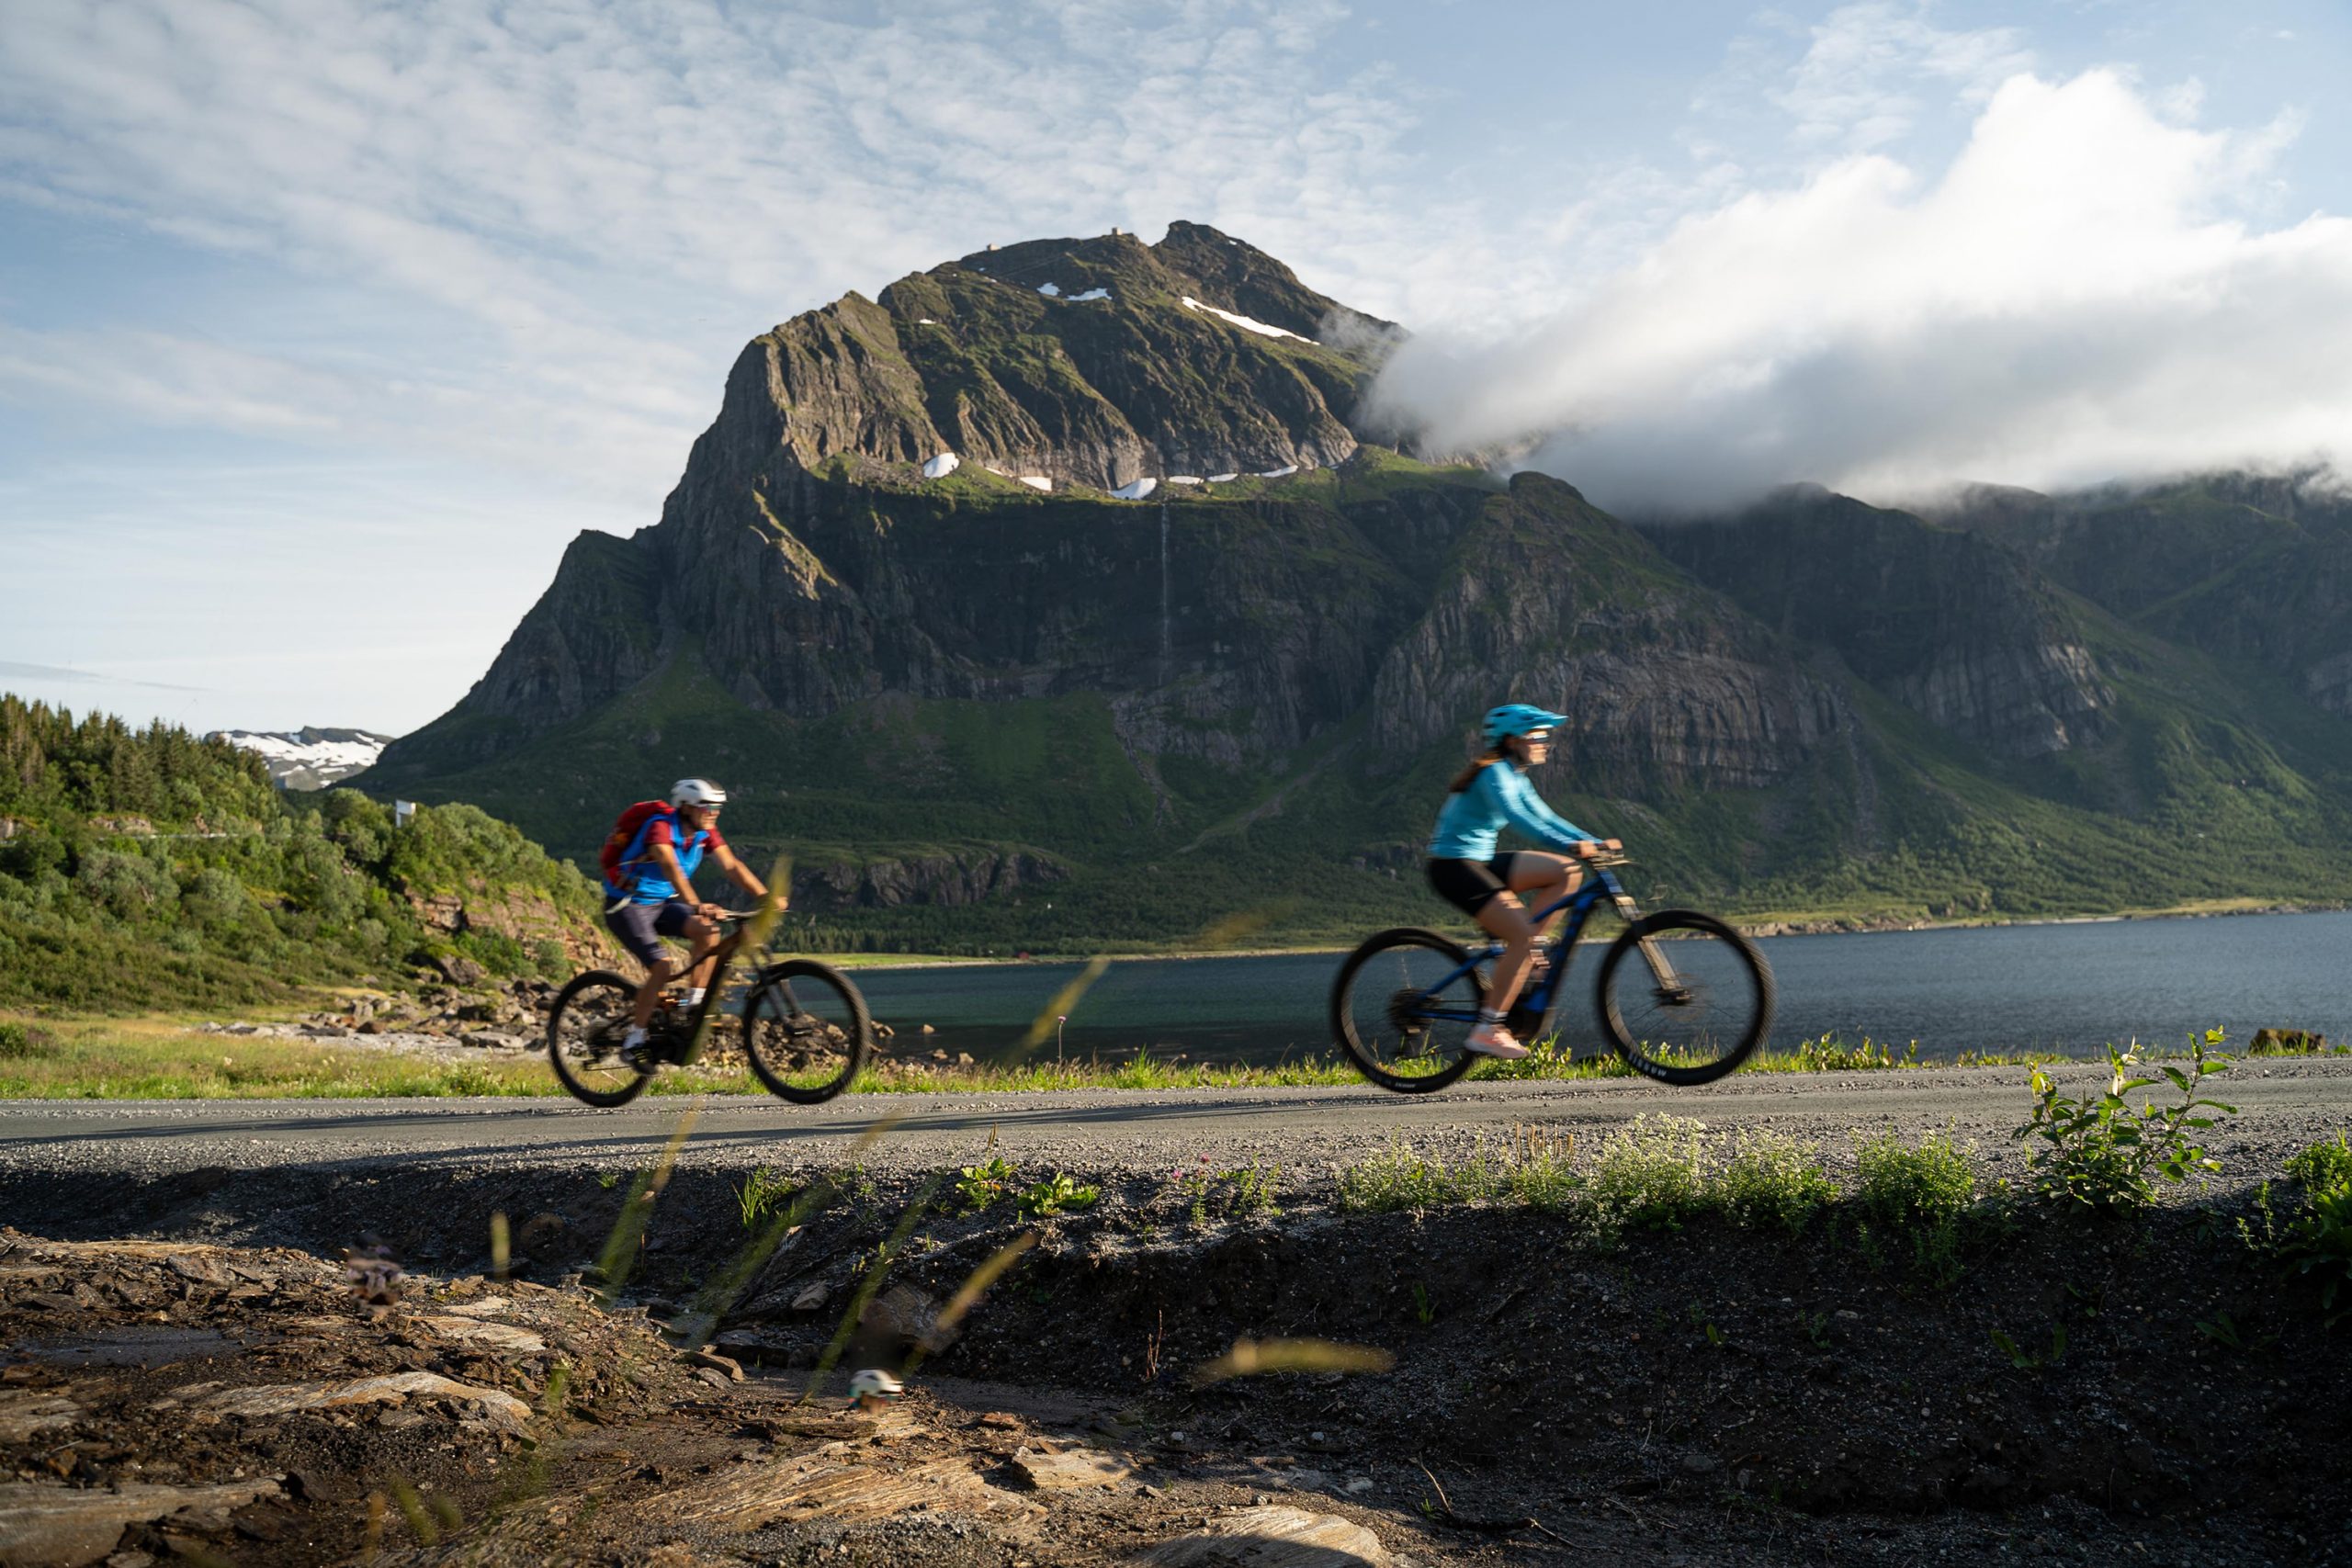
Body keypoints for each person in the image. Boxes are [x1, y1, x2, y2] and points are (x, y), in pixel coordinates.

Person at [1424, 705, 1620, 1058]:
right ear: (1513, 739)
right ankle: (1488, 1028)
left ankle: (1529, 950)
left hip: (1480, 861)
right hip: (1453, 867)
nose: (1545, 742)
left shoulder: (1516, 775)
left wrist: (1593, 840)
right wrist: (1571, 845)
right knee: (1522, 936)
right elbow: (1520, 821)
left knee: (1567, 871)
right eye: (1538, 735)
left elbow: (1546, 816)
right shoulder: (1493, 773)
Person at [602, 778, 773, 1058]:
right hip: (627, 905)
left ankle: (692, 1004)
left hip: (661, 904)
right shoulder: (660, 828)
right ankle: (633, 1040)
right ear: (685, 807)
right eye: (706, 807)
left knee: (708, 932)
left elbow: (731, 865)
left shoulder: (706, 833)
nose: (713, 813)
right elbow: (671, 868)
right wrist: (696, 904)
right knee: (662, 967)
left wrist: (765, 897)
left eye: (717, 807)